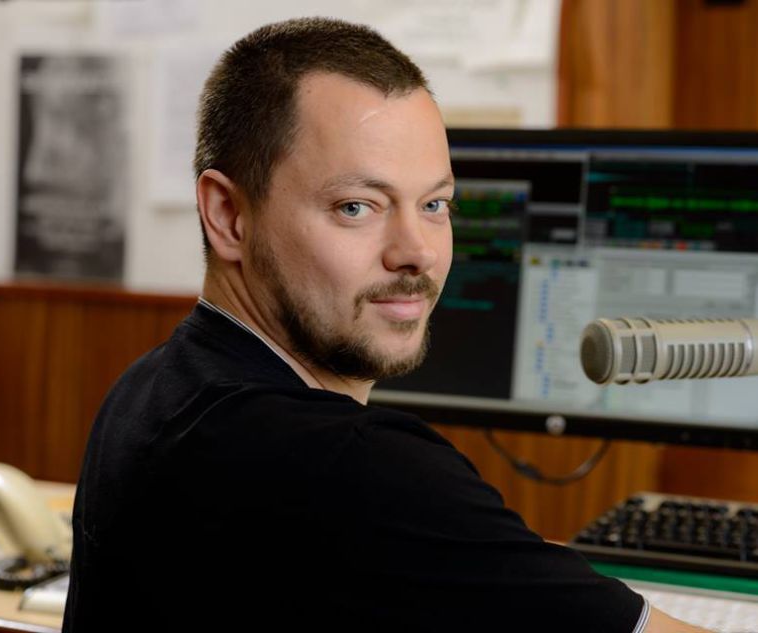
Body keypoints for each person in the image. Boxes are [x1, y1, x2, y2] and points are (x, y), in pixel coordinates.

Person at [63, 17, 709, 633]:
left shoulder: (147, 391)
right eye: (357, 206)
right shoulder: (352, 468)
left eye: (435, 204)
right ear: (229, 216)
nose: (416, 252)